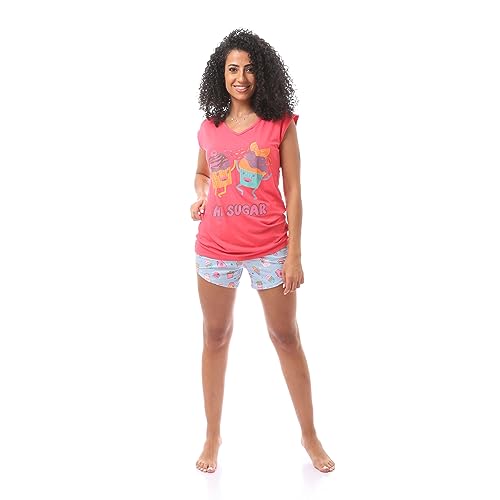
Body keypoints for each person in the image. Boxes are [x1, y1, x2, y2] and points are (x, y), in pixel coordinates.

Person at [190, 28, 335, 474]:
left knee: (285, 336)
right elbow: (202, 174)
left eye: (250, 69)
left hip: (271, 247)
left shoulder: (280, 124)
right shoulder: (209, 128)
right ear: (221, 75)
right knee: (215, 336)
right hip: (214, 247)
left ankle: (309, 436)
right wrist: (201, 196)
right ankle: (212, 435)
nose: (241, 77)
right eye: (233, 69)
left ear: (262, 74)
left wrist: (295, 253)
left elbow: (295, 190)